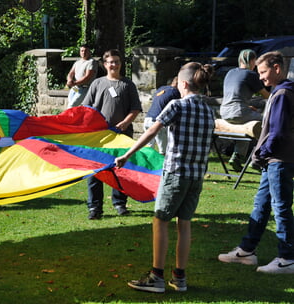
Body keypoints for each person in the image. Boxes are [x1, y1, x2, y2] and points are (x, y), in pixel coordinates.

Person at [116, 62, 215, 293]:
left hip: (176, 174)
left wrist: (127, 154)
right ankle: (180, 278)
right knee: (185, 223)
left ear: (183, 83)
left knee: (160, 220)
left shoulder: (177, 105)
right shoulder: (209, 109)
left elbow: (152, 130)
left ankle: (156, 277)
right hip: (196, 176)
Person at [218, 51, 294, 274]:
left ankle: (287, 258)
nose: (260, 77)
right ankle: (246, 251)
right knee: (261, 205)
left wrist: (261, 154)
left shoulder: (282, 94)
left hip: (279, 159)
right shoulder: (280, 92)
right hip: (273, 160)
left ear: (277, 68)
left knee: (280, 208)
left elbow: (277, 132)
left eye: (263, 72)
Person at [81, 49, 142, 218]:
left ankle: (120, 203)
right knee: (95, 171)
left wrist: (125, 123)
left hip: (122, 137)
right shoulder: (97, 83)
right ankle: (95, 208)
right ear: (105, 64)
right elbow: (88, 108)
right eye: (111, 62)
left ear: (120, 64)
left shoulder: (128, 84)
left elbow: (135, 109)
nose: (114, 64)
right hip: (99, 136)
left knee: (120, 170)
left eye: (117, 61)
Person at [220, 49, 270, 171]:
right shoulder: (251, 74)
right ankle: (258, 159)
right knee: (269, 124)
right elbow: (267, 96)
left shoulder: (230, 72)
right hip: (239, 111)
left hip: (224, 112)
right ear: (252, 61)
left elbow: (233, 96)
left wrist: (247, 107)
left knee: (247, 126)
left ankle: (237, 157)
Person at [144, 76, 180, 154]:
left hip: (147, 119)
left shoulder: (161, 89)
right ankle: (163, 166)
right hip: (158, 122)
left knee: (148, 148)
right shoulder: (175, 92)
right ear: (178, 84)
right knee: (163, 151)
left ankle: (148, 165)